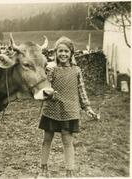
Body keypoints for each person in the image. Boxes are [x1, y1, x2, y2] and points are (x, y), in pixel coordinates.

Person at [38, 36, 99, 177]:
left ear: (71, 53)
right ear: (56, 53)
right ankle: (43, 168)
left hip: (70, 111)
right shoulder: (52, 70)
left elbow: (81, 91)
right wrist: (49, 91)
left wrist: (87, 107)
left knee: (67, 142)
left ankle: (69, 172)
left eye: (66, 51)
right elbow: (45, 88)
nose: (63, 54)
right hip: (51, 110)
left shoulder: (76, 70)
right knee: (46, 140)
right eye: (60, 51)